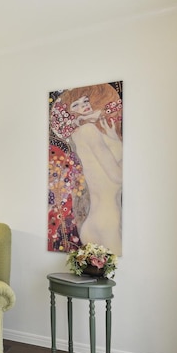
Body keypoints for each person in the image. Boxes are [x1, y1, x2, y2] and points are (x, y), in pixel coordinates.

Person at [54, 83, 123, 255]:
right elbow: (118, 177)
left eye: (85, 100)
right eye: (75, 105)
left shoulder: (82, 133)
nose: (84, 105)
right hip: (107, 221)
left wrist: (113, 138)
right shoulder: (89, 131)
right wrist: (118, 142)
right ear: (69, 114)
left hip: (96, 220)